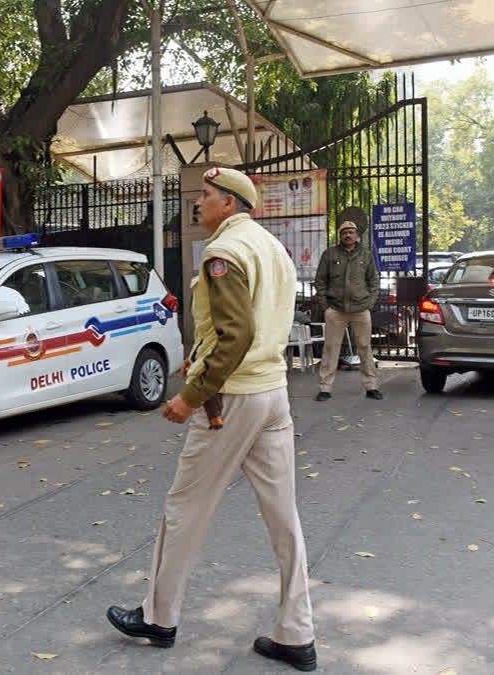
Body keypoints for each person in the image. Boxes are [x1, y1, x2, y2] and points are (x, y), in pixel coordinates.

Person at [106, 167, 318, 671]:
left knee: (184, 509)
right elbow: (247, 327)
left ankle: (159, 618)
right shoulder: (271, 249)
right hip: (272, 394)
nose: (198, 203)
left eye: (205, 195)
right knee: (284, 518)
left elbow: (236, 334)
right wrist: (198, 357)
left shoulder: (225, 253)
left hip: (232, 399)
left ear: (230, 203)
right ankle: (297, 633)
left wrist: (192, 393)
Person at [312, 220, 382, 401]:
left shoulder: (365, 255)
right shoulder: (330, 254)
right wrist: (325, 305)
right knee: (331, 349)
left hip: (361, 309)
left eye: (351, 232)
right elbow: (320, 280)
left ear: (357, 235)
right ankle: (325, 388)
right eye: (344, 232)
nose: (348, 235)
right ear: (340, 235)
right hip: (336, 309)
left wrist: (370, 303)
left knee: (365, 348)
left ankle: (371, 386)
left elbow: (373, 281)